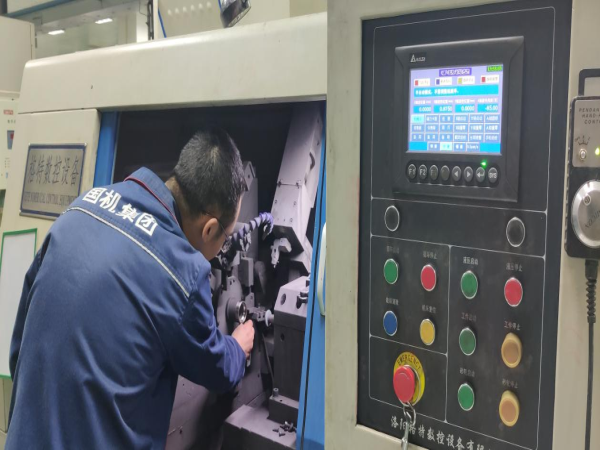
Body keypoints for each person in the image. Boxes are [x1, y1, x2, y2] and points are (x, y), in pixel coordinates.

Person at [6, 127, 255, 449]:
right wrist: (237, 347)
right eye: (226, 237)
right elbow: (214, 367)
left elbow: (19, 347)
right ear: (209, 229)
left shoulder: (80, 208)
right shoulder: (183, 275)